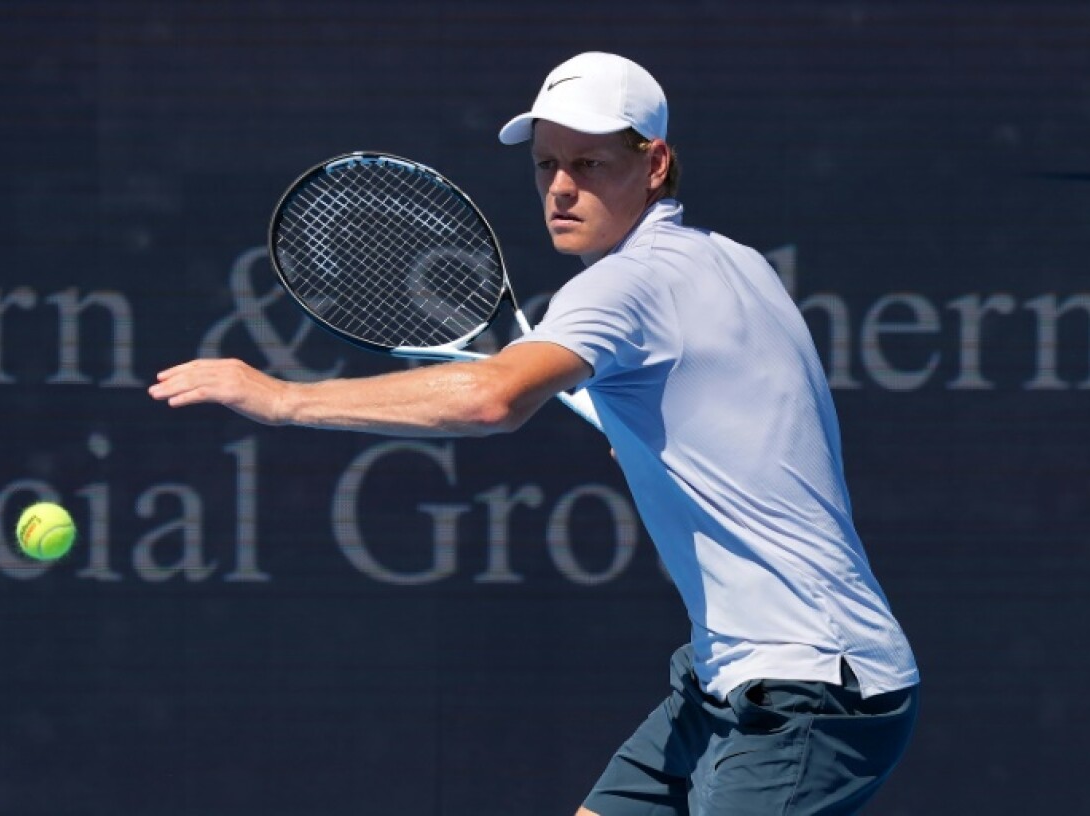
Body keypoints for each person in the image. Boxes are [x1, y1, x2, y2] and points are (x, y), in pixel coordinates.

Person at [150, 51, 919, 815]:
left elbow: (492, 399)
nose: (560, 187)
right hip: (729, 671)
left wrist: (282, 398)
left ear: (655, 164)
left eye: (588, 164)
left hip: (807, 689)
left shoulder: (624, 285)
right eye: (547, 164)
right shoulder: (733, 262)